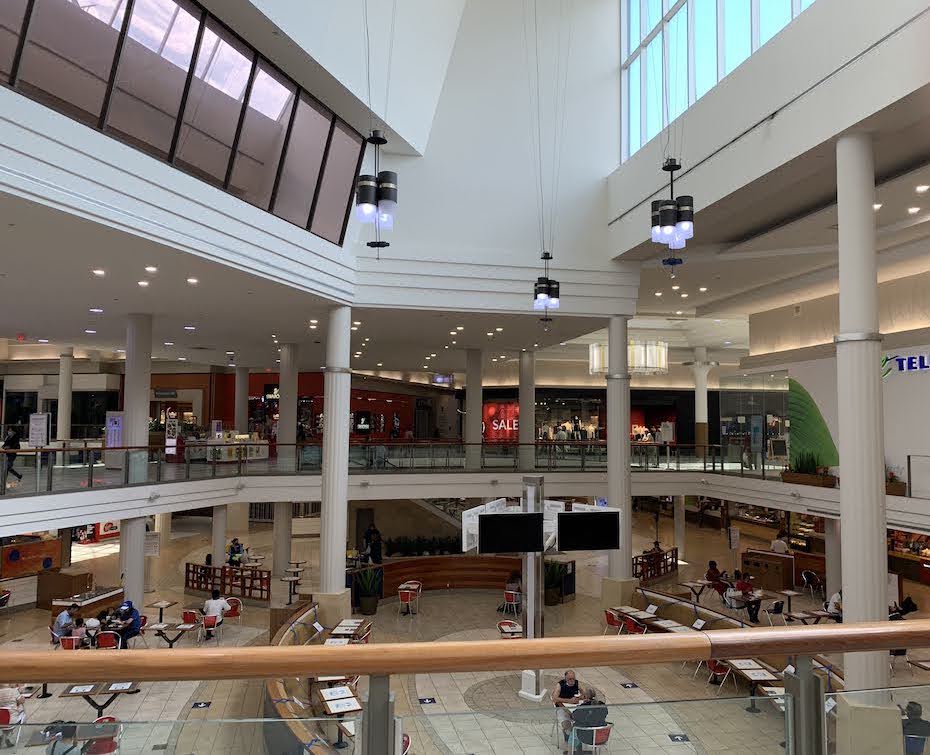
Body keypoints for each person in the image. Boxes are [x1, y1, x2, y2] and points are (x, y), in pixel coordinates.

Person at [566, 687, 609, 754]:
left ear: (585, 696)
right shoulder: (602, 706)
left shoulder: (584, 707)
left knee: (574, 730)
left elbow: (574, 716)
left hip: (587, 736)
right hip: (601, 735)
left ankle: (570, 753)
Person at [552, 670, 582, 738]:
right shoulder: (560, 685)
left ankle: (578, 737)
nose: (572, 681)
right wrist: (569, 701)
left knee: (582, 721)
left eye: (573, 679)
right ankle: (567, 736)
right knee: (567, 724)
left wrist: (578, 698)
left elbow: (584, 694)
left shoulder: (577, 683)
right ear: (566, 679)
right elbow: (554, 698)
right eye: (570, 679)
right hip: (561, 708)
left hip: (574, 708)